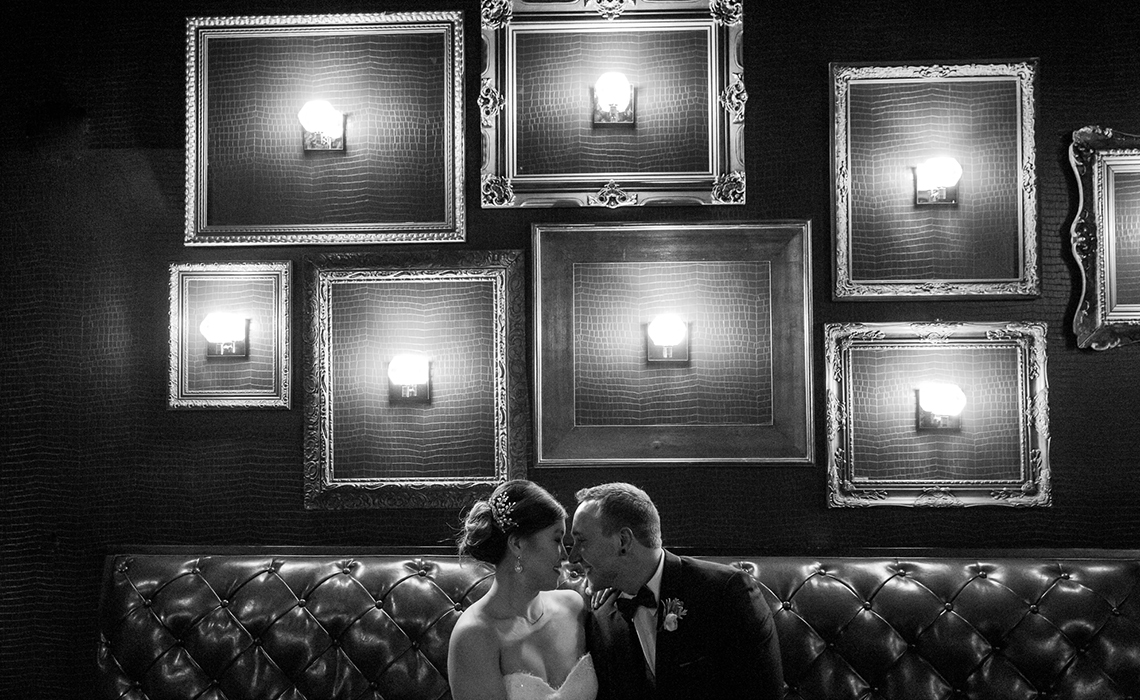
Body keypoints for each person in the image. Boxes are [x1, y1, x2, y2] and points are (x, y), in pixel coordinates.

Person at [569, 482, 784, 700]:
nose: (572, 557)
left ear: (623, 541)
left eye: (582, 541)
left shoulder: (725, 592)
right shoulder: (602, 616)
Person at [449, 479, 598, 700]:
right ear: (517, 544)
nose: (565, 555)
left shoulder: (574, 606)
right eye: (557, 539)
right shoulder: (474, 635)